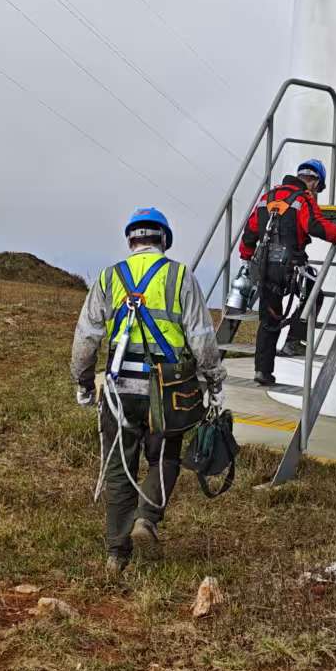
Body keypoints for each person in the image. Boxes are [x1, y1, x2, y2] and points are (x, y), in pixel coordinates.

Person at [71, 207, 225, 575]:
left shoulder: (109, 278)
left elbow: (86, 337)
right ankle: (147, 518)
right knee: (165, 457)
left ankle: (116, 554)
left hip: (118, 389)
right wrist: (214, 379)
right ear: (164, 240)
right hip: (168, 390)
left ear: (131, 241)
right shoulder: (180, 276)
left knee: (117, 467)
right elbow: (201, 337)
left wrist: (82, 380)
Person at [238, 159, 336, 387]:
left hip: (265, 269)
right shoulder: (303, 199)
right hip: (291, 268)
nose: (316, 193)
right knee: (315, 293)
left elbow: (250, 232)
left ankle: (263, 371)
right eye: (318, 189)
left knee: (269, 320)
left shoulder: (267, 197)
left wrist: (246, 256)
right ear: (314, 181)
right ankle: (294, 340)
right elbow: (315, 225)